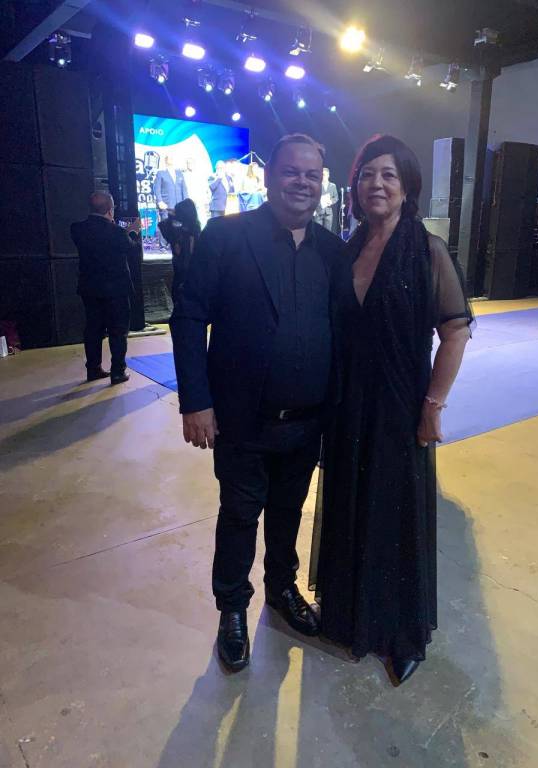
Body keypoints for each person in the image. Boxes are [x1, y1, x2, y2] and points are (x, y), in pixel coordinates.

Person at [170, 134, 344, 673]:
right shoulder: (227, 236)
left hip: (306, 421)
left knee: (289, 513)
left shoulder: (332, 251)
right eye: (292, 171)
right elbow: (188, 317)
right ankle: (232, 609)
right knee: (240, 515)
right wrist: (195, 402)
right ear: (269, 177)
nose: (302, 182)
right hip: (241, 419)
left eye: (312, 175)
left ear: (322, 183)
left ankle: (282, 589)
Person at [311, 135, 472, 686]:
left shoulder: (427, 250)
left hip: (400, 404)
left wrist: (433, 405)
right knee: (350, 500)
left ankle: (402, 632)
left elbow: (455, 331)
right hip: (347, 403)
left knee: (395, 512)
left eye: (388, 175)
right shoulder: (349, 248)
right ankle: (349, 611)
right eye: (366, 175)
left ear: (407, 187)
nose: (376, 184)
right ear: (354, 186)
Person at [70, 191, 140, 384]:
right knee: (118, 331)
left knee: (93, 329)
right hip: (116, 289)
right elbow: (132, 249)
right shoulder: (117, 232)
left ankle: (93, 369)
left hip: (90, 288)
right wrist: (132, 232)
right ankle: (117, 371)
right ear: (110, 210)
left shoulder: (77, 229)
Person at [158, 198, 201, 300]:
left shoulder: (183, 231)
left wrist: (171, 217)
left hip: (184, 270)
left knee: (179, 295)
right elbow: (162, 225)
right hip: (187, 270)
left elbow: (163, 225)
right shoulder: (189, 230)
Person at [153, 156, 188, 248]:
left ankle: (176, 244)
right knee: (166, 225)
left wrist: (186, 202)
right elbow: (157, 188)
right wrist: (160, 201)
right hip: (166, 204)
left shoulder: (179, 173)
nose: (172, 159)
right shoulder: (161, 173)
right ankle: (163, 245)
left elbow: (184, 189)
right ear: (166, 161)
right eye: (169, 158)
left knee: (178, 225)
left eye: (172, 158)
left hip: (179, 204)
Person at [182, 158, 210, 230]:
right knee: (190, 220)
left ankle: (204, 233)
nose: (190, 164)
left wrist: (205, 199)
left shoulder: (200, 174)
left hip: (200, 200)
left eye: (191, 163)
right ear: (186, 164)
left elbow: (205, 187)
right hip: (189, 201)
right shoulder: (184, 175)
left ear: (194, 164)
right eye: (188, 163)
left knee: (202, 219)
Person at [314, 167, 339, 232]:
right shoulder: (317, 185)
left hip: (328, 212)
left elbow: (336, 197)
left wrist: (331, 201)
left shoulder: (333, 186)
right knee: (317, 232)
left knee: (327, 232)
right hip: (318, 211)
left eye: (324, 174)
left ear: (328, 175)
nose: (323, 176)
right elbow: (314, 197)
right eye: (321, 174)